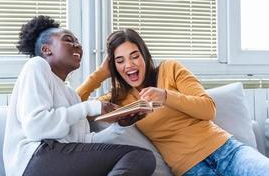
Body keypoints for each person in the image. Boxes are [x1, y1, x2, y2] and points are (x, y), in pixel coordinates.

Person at [77, 28, 269, 176]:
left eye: (135, 56)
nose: (129, 65)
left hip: (227, 150)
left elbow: (208, 109)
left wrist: (166, 96)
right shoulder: (118, 98)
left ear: (144, 55)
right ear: (115, 67)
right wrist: (99, 75)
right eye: (120, 61)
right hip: (190, 167)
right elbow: (71, 108)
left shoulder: (170, 69)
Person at [3, 17, 156, 176]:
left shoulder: (70, 94)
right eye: (68, 40)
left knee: (141, 158)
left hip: (58, 158)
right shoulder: (36, 66)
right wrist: (92, 106)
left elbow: (84, 142)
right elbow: (36, 128)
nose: (77, 45)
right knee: (139, 157)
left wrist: (119, 127)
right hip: (34, 159)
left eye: (77, 41)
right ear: (46, 49)